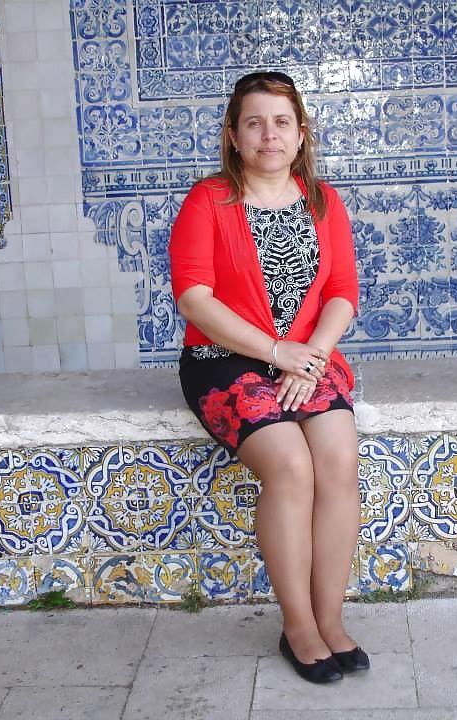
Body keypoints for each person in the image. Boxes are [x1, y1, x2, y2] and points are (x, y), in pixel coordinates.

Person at [168, 70, 367, 684]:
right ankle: (298, 626)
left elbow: (343, 292)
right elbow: (194, 298)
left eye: (281, 122)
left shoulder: (322, 201)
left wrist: (311, 356)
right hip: (223, 359)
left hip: (307, 356)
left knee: (338, 457)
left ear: (301, 133)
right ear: (233, 135)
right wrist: (277, 352)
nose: (269, 135)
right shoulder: (208, 201)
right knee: (291, 465)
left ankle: (331, 619)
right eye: (253, 123)